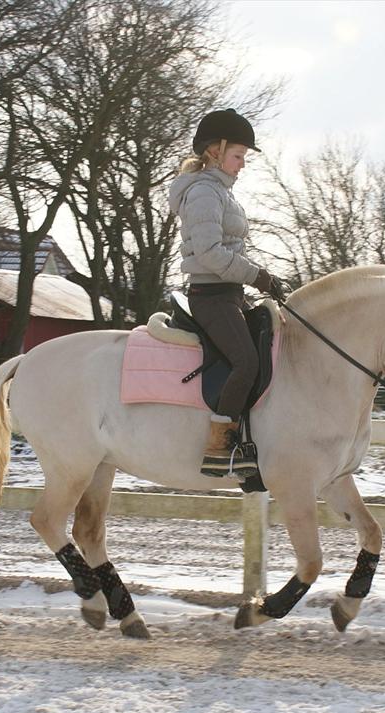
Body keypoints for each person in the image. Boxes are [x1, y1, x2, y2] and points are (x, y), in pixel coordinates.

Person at [168, 108, 284, 479]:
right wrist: (258, 276)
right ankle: (220, 445)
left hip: (230, 293)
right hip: (212, 296)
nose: (243, 164)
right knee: (246, 362)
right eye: (239, 156)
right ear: (214, 152)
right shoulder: (203, 191)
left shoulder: (221, 192)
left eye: (244, 158)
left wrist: (258, 280)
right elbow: (209, 252)